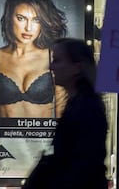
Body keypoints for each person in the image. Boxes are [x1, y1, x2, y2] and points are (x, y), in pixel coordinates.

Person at [23, 38, 108, 189]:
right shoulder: (77, 103)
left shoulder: (86, 108)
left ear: (76, 67)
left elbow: (83, 163)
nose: (51, 67)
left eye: (57, 61)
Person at [0, 0, 68, 118]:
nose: (28, 28)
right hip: (3, 137)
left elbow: (62, 112)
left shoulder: (54, 58)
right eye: (21, 18)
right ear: (9, 18)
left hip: (42, 138)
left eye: (36, 20)